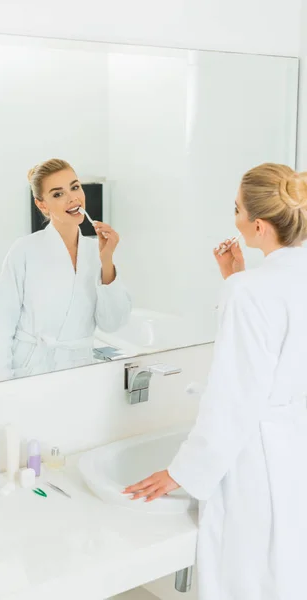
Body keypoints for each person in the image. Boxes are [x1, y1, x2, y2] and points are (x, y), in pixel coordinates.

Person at [124, 163, 307, 600]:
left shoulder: (249, 293)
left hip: (257, 470)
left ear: (259, 225)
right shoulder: (267, 283)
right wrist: (238, 278)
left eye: (237, 209)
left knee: (250, 581)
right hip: (295, 454)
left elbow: (234, 400)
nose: (235, 218)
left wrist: (179, 471)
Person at [0, 158, 131, 381]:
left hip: (79, 371)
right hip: (30, 371)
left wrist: (107, 260)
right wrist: (1, 386)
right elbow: (0, 328)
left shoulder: (96, 252)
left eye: (75, 187)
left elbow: (112, 324)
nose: (73, 197)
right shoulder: (24, 250)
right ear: (42, 204)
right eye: (58, 194)